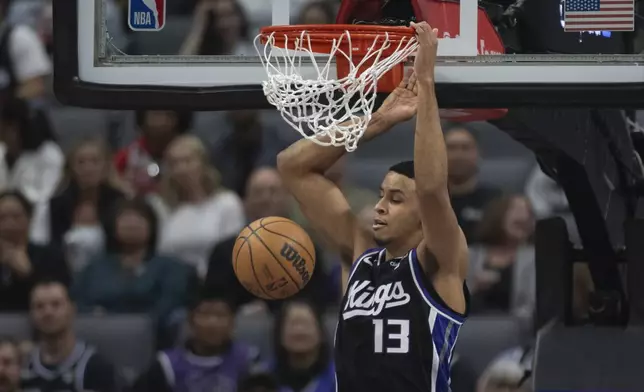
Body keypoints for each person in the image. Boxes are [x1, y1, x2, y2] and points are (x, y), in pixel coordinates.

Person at [277, 22, 469, 392]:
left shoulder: (439, 259)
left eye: (395, 199)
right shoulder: (362, 255)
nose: (379, 206)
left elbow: (431, 189)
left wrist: (426, 85)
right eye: (381, 195)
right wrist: (380, 119)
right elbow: (292, 166)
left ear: (421, 217)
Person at [131, 288, 260, 392]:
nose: (212, 323)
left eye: (220, 315)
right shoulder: (166, 365)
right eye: (205, 314)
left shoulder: (249, 360)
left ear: (233, 323)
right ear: (190, 321)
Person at [21, 280, 119, 392]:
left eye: (56, 304)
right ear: (31, 314)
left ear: (72, 310)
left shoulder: (96, 367)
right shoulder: (22, 365)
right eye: (39, 306)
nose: (48, 312)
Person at [271, 300, 335, 392]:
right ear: (279, 334)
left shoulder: (340, 379)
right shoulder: (264, 380)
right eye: (294, 324)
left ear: (321, 333)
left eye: (305, 324)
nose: (299, 331)